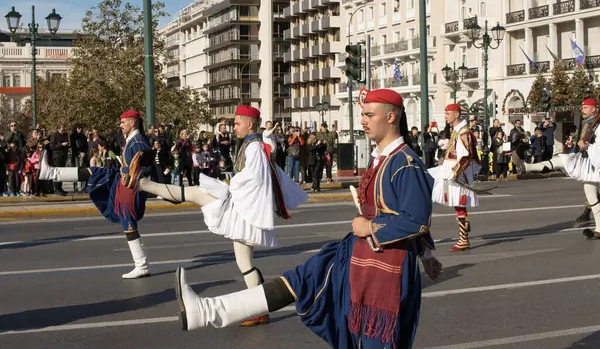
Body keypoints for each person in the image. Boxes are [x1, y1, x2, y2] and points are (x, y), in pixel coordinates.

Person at [173, 89, 442, 348]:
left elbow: (415, 219)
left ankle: (206, 311)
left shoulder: (405, 163)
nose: (362, 120)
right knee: (300, 280)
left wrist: (371, 226)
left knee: (374, 338)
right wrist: (426, 255)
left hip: (385, 268)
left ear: (391, 116)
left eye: (369, 115)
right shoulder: (382, 158)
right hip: (361, 256)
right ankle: (206, 311)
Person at [129, 105, 308, 326]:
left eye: (237, 123)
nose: (234, 127)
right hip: (243, 206)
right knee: (244, 262)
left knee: (196, 193)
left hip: (243, 210)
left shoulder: (254, 147)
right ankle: (261, 309)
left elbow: (256, 178)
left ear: (249, 124)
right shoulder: (254, 144)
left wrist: (231, 184)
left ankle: (143, 184)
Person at [38, 110, 153, 279]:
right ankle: (51, 173)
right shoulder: (132, 139)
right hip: (124, 182)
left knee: (128, 224)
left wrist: (127, 170)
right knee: (94, 172)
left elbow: (144, 165)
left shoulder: (137, 141)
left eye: (123, 122)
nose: (120, 126)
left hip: (130, 187)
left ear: (132, 123)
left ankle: (141, 265)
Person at [513, 98, 600, 239]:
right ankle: (599, 229)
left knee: (563, 162)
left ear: (594, 109)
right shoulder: (590, 123)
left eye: (585, 107)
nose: (582, 110)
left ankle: (527, 166)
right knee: (591, 196)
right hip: (588, 161)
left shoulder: (598, 125)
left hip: (595, 162)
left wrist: (587, 146)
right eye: (582, 107)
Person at [429, 103, 481, 252]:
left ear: (456, 114)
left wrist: (455, 174)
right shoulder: (457, 131)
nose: (445, 116)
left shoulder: (463, 132)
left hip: (456, 172)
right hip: (450, 169)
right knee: (457, 204)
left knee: (459, 205)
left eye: (447, 113)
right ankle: (463, 236)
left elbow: (465, 157)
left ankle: (463, 239)